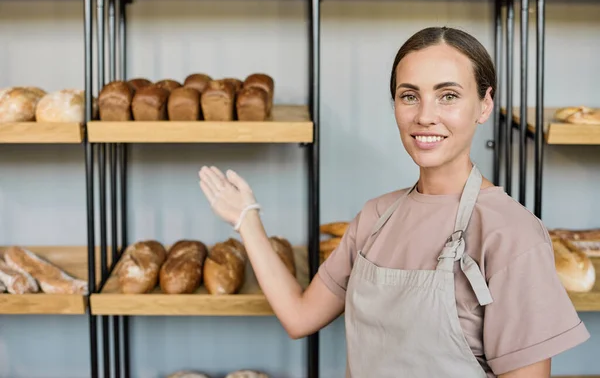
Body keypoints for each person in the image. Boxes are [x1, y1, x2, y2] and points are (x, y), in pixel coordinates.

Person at [197, 26, 590, 378]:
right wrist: (247, 219)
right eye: (409, 96)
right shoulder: (376, 217)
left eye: (448, 95)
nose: (425, 116)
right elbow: (300, 318)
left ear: (485, 105)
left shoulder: (511, 233)